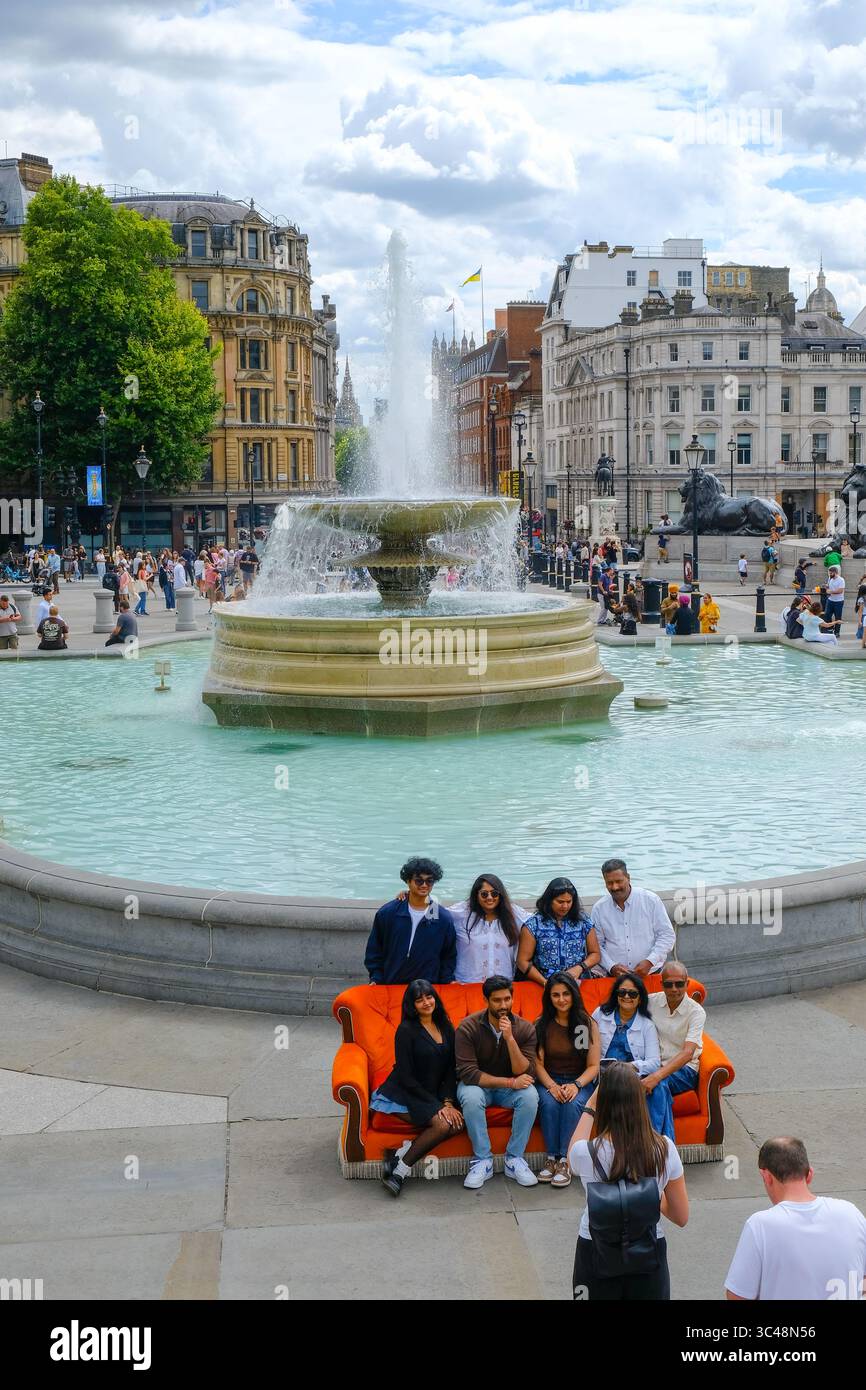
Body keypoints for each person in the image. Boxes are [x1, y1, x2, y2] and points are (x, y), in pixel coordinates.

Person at [568, 1060, 688, 1301]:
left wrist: (591, 1104)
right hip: (647, 1250)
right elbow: (680, 1216)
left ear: (605, 1102)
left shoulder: (585, 1153)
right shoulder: (665, 1149)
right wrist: (653, 1193)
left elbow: (570, 1157)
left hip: (595, 1248)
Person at [725, 1137, 866, 1301]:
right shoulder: (850, 1212)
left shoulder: (760, 1226)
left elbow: (737, 1296)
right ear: (809, 1174)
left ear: (766, 1177)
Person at [371, 980, 464, 1198]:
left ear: (435, 998)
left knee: (459, 1122)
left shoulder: (445, 1025)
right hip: (405, 1092)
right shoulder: (406, 1030)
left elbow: (451, 1068)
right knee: (442, 1125)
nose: (426, 1002)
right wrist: (439, 1107)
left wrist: (448, 1102)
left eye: (429, 996)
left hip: (434, 1093)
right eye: (419, 999)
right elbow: (405, 1076)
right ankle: (399, 1173)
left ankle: (398, 1154)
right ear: (412, 1005)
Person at [455, 974, 539, 1189]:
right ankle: (483, 1160)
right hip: (480, 1086)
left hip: (507, 1090)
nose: (503, 1005)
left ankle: (514, 1159)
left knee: (530, 1096)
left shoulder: (525, 1028)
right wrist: (510, 1083)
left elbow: (526, 1070)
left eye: (507, 999)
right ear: (486, 1000)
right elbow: (468, 1073)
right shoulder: (468, 1027)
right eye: (497, 1000)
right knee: (470, 1096)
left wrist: (510, 1038)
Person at [534, 973, 600, 1187]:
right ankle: (551, 1158)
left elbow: (591, 1065)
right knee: (549, 1103)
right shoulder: (542, 1025)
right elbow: (538, 1064)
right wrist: (552, 1086)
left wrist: (576, 1085)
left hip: (578, 1080)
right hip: (549, 1080)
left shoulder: (583, 1025)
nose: (561, 999)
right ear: (549, 998)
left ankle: (565, 1161)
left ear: (573, 995)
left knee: (574, 1104)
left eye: (566, 994)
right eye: (555, 995)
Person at [364, 857, 457, 985]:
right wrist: (376, 977)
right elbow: (374, 949)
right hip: (391, 984)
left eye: (429, 881)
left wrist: (447, 980)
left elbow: (448, 955)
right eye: (419, 881)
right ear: (408, 881)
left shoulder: (442, 918)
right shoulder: (388, 913)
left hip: (427, 991)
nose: (424, 885)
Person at [646, 962, 705, 1141]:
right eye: (668, 984)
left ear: (687, 984)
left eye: (679, 984)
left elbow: (688, 1053)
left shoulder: (696, 1012)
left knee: (659, 1085)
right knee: (660, 1090)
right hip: (654, 1064)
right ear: (661, 984)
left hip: (685, 1070)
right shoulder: (650, 1002)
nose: (674, 989)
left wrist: (656, 1076)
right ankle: (666, 1151)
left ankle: (653, 1146)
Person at [591, 858, 675, 977]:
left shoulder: (651, 900)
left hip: (651, 973)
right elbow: (597, 945)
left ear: (628, 878)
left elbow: (667, 935)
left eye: (619, 881)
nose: (615, 887)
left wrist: (650, 962)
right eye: (610, 883)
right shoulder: (599, 909)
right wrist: (611, 966)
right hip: (615, 976)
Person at [517, 877, 601, 983]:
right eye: (560, 902)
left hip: (577, 979)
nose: (565, 906)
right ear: (549, 900)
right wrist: (544, 983)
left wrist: (580, 968)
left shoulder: (584, 921)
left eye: (569, 901)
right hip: (543, 981)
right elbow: (522, 961)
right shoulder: (534, 924)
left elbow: (595, 953)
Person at [450, 874, 529, 983]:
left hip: (503, 985)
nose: (490, 898)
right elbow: (437, 915)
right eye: (484, 894)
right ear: (476, 895)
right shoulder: (462, 913)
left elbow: (535, 921)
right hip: (468, 983)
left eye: (494, 894)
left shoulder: (513, 913)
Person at [824, 565, 845, 637]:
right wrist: (826, 586)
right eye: (829, 573)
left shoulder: (841, 580)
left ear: (835, 572)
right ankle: (830, 628)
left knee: (838, 617)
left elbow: (840, 590)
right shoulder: (830, 578)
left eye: (831, 573)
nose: (829, 574)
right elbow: (829, 586)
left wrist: (830, 592)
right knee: (827, 615)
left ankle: (837, 632)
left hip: (838, 601)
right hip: (830, 600)